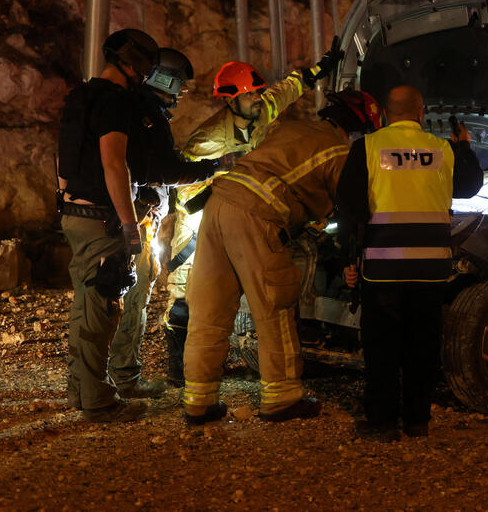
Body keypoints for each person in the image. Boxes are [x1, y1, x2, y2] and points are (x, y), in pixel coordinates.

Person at [181, 90, 381, 425]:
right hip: (256, 214)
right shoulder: (339, 152)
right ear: (358, 129)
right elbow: (352, 208)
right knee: (274, 306)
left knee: (209, 309)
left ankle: (198, 402)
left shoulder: (290, 128)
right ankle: (282, 397)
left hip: (218, 205)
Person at [163, 54, 336, 387]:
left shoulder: (261, 110)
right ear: (231, 101)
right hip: (200, 220)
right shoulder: (207, 140)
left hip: (245, 213)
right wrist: (222, 183)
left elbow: (286, 91)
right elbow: (186, 193)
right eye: (250, 94)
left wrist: (315, 72)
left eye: (258, 92)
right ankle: (180, 370)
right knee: (186, 293)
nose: (258, 98)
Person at [337, 85, 483, 442]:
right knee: (423, 345)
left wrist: (348, 259)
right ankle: (417, 420)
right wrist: (463, 146)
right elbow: (470, 186)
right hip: (430, 269)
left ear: (386, 114)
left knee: (382, 347)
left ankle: (383, 422)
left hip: (382, 268)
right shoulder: (442, 149)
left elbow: (350, 210)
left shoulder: (367, 147)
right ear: (421, 113)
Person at [108, 47, 232, 398]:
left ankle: (115, 376)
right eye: (178, 83)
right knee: (132, 298)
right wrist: (213, 167)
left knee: (130, 297)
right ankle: (123, 378)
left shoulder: (138, 112)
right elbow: (164, 170)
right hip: (137, 222)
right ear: (163, 79)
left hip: (134, 220)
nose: (181, 91)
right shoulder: (146, 116)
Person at [56, 28, 160, 422]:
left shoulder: (81, 96)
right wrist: (130, 227)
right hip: (101, 220)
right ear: (134, 64)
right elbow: (115, 164)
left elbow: (63, 157)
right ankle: (98, 400)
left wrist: (64, 198)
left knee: (86, 305)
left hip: (74, 213)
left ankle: (80, 389)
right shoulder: (115, 101)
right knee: (102, 308)